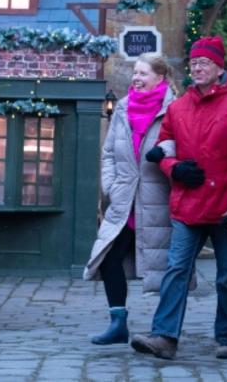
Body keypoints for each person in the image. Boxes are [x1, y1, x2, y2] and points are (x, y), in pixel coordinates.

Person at [130, 35, 227, 360]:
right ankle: (164, 337)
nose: (198, 68)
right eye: (194, 63)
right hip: (187, 204)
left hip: (225, 206)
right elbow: (162, 149)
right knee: (176, 270)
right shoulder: (178, 107)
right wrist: (174, 169)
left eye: (205, 63)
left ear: (219, 68)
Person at [82, 53, 178, 345]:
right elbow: (109, 152)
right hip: (124, 200)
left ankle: (164, 330)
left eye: (143, 73)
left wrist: (166, 152)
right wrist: (112, 187)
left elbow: (184, 147)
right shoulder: (122, 108)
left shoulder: (174, 109)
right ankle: (118, 323)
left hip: (158, 200)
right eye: (135, 73)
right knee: (108, 258)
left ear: (159, 77)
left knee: (165, 268)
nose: (136, 78)